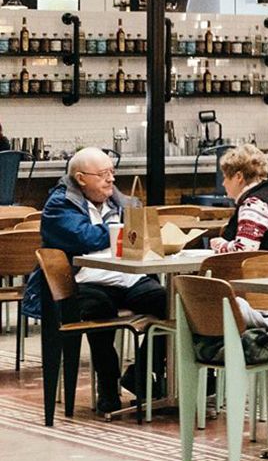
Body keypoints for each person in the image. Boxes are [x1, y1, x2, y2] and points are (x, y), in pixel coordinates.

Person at [26, 148, 168, 413]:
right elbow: (84, 238)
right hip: (86, 281)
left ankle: (140, 374)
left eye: (112, 173)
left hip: (129, 278)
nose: (111, 180)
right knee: (98, 308)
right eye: (103, 175)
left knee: (169, 303)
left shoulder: (122, 202)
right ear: (81, 178)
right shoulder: (59, 204)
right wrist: (124, 231)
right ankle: (108, 384)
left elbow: (144, 234)